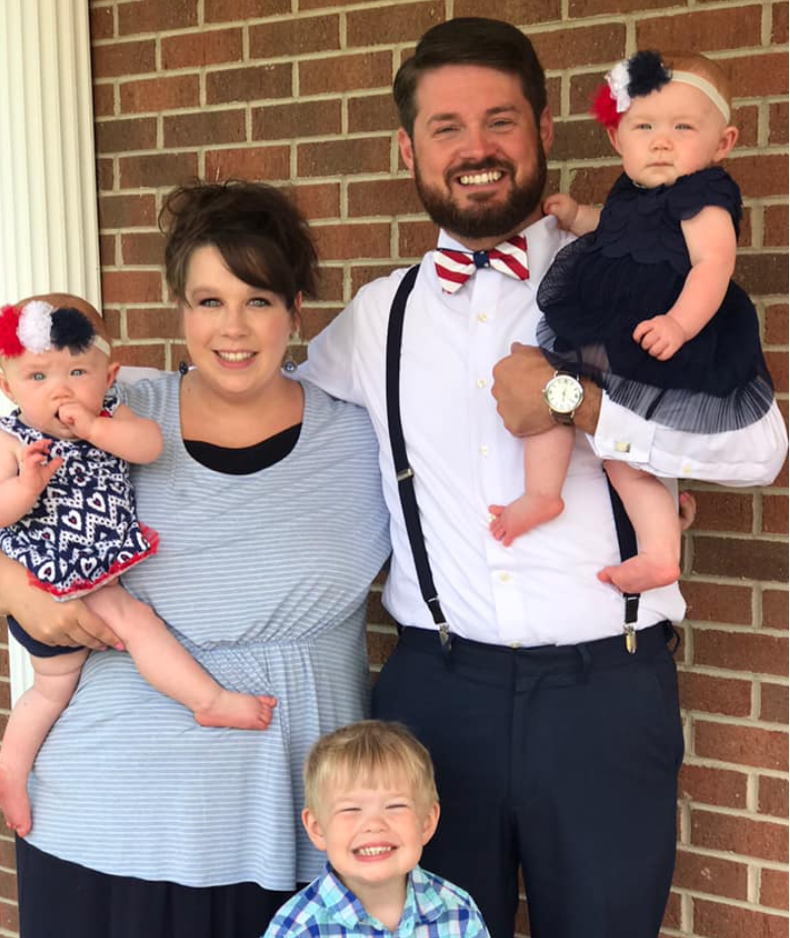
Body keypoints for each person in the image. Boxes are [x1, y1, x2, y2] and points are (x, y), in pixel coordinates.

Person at [300, 17, 787, 938]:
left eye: (499, 121)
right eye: (446, 127)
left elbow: (758, 451)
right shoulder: (375, 319)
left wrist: (578, 403)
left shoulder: (645, 268)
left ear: (546, 128)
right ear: (407, 148)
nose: (475, 148)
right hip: (435, 700)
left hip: (607, 695)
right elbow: (258, 416)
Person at [0, 182, 390, 938]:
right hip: (109, 821)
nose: (232, 327)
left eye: (259, 299)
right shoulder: (109, 410)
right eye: (208, 301)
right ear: (179, 311)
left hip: (301, 824)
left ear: (295, 312)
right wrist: (14, 589)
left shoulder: (361, 439)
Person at [489, 50, 774, 598]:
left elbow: (715, 266)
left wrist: (680, 324)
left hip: (661, 332)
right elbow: (612, 228)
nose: (661, 141)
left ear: (723, 143)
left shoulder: (704, 196)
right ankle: (542, 493)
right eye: (644, 126)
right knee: (547, 391)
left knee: (628, 449)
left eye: (682, 127)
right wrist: (576, 218)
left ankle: (660, 552)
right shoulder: (629, 192)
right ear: (619, 140)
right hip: (603, 318)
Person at [0, 294, 281, 838]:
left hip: (94, 565)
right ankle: (209, 700)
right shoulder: (11, 442)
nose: (60, 389)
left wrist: (96, 429)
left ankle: (11, 767)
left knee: (49, 693)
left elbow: (148, 446)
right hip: (56, 573)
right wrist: (24, 489)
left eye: (78, 370)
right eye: (37, 376)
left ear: (111, 375)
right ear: (8, 386)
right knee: (136, 622)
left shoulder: (114, 413)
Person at [263, 720, 490, 938]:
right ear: (318, 829)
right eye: (351, 809)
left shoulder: (459, 913)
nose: (374, 825)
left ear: (427, 822)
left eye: (395, 806)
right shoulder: (295, 930)